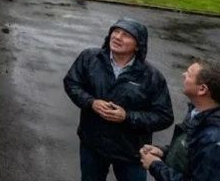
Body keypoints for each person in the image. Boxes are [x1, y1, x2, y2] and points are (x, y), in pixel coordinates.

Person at [63, 18, 175, 181]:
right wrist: (91, 102)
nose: (117, 37)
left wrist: (127, 116)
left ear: (138, 45)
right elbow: (72, 83)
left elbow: (164, 116)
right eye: (115, 32)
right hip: (93, 145)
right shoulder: (89, 58)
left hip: (130, 152)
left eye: (126, 35)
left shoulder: (151, 76)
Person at [141, 59, 220, 180]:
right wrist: (164, 153)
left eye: (189, 73)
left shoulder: (215, 139)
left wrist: (156, 166)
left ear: (202, 89)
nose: (183, 75)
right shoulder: (198, 113)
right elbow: (191, 153)